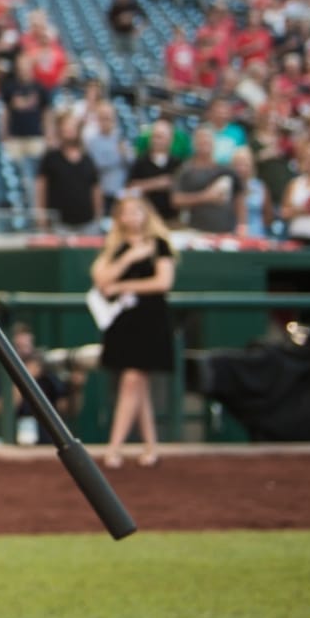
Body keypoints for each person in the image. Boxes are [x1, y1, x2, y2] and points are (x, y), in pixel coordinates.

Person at [91, 195, 175, 469]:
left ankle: (114, 448)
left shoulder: (159, 245)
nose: (132, 217)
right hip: (124, 322)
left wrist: (124, 287)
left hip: (150, 320)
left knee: (132, 381)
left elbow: (163, 282)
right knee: (137, 386)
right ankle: (151, 448)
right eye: (126, 213)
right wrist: (128, 258)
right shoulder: (117, 247)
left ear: (146, 215)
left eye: (137, 212)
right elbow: (102, 279)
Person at [0, 324, 73, 444]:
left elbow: (66, 408)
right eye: (20, 347)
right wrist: (27, 378)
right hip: (16, 443)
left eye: (28, 347)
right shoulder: (1, 377)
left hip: (49, 443)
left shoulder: (47, 376)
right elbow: (1, 411)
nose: (26, 352)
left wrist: (75, 386)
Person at [35, 112, 104, 235]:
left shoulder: (88, 159)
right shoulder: (51, 158)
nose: (69, 131)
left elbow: (96, 188)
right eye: (66, 128)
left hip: (87, 223)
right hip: (59, 223)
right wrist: (42, 215)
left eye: (72, 127)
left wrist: (98, 215)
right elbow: (41, 187)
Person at [172, 126, 242, 235]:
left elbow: (239, 198)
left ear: (214, 143)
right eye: (201, 139)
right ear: (194, 143)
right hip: (196, 230)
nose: (205, 142)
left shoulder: (226, 169)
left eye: (208, 139)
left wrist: (242, 225)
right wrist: (205, 196)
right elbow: (176, 200)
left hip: (227, 231)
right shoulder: (186, 170)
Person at [125, 119, 181, 223]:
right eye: (154, 136)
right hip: (145, 220)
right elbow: (130, 188)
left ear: (170, 139)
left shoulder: (177, 163)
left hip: (171, 218)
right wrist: (157, 183)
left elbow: (181, 187)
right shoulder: (141, 162)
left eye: (160, 137)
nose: (156, 140)